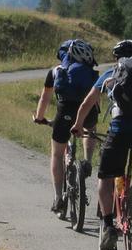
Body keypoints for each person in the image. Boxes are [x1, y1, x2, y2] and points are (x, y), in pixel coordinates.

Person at [71, 39, 132, 250]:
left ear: (118, 57)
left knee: (105, 177)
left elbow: (88, 102)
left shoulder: (112, 73)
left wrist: (78, 125)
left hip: (120, 130)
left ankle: (107, 225)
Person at [32, 39, 99, 214]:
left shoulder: (56, 71)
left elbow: (45, 98)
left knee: (57, 154)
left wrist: (39, 118)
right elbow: (95, 101)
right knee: (90, 129)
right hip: (88, 113)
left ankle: (58, 198)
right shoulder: (92, 74)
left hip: (65, 115)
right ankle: (88, 161)